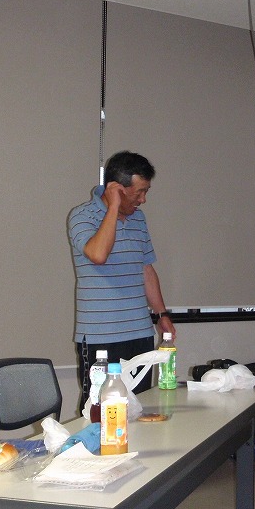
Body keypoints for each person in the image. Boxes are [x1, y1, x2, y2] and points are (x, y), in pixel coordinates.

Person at [68, 151, 177, 405]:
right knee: (100, 411)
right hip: (100, 337)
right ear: (116, 188)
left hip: (140, 333)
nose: (143, 200)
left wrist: (162, 314)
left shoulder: (139, 218)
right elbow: (98, 254)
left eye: (146, 191)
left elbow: (146, 269)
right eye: (139, 192)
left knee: (139, 407)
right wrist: (114, 207)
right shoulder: (81, 216)